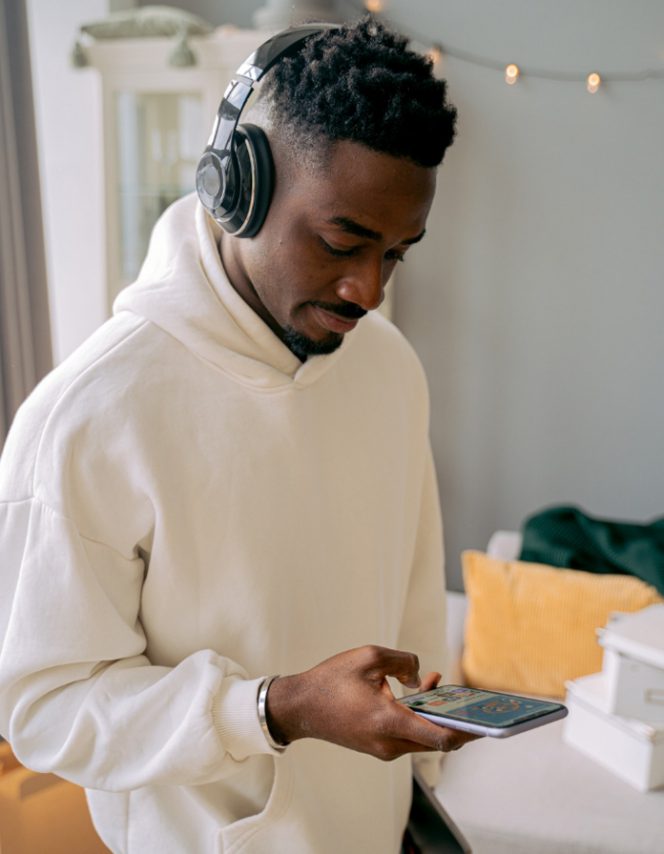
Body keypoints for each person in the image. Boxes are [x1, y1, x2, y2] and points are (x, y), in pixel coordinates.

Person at [0, 17, 472, 854]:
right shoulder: (88, 417)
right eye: (340, 242)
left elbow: (411, 594)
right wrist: (271, 709)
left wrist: (423, 772)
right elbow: (44, 708)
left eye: (398, 254)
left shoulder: (391, 367)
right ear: (238, 188)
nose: (367, 287)